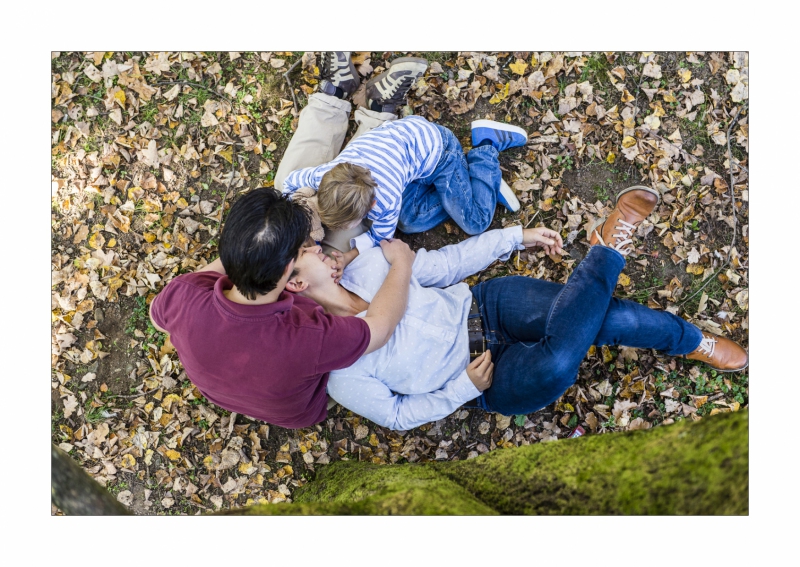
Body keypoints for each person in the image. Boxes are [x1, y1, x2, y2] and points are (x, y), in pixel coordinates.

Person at [287, 186, 749, 431]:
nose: (320, 245)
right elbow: (396, 416)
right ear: (296, 280)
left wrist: (513, 237)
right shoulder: (338, 366)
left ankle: (692, 341)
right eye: (308, 249)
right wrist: (462, 390)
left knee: (607, 319)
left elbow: (447, 265)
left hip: (487, 306)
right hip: (483, 377)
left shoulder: (370, 264)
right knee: (557, 362)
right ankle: (607, 249)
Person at [148, 187, 416, 429]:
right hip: (301, 408)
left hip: (237, 394)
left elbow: (157, 318)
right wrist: (402, 264)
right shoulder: (308, 335)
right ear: (289, 270)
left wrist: (258, 242)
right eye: (303, 248)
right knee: (346, 228)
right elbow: (380, 330)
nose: (312, 248)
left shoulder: (185, 294)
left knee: (291, 204)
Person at [277, 51, 526, 269]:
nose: (344, 230)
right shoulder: (322, 175)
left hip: (441, 154)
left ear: (373, 205)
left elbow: (380, 238)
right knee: (408, 221)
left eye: (348, 224)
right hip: (405, 148)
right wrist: (299, 204)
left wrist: (350, 255)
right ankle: (480, 183)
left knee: (476, 221)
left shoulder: (385, 200)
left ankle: (486, 147)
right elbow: (290, 182)